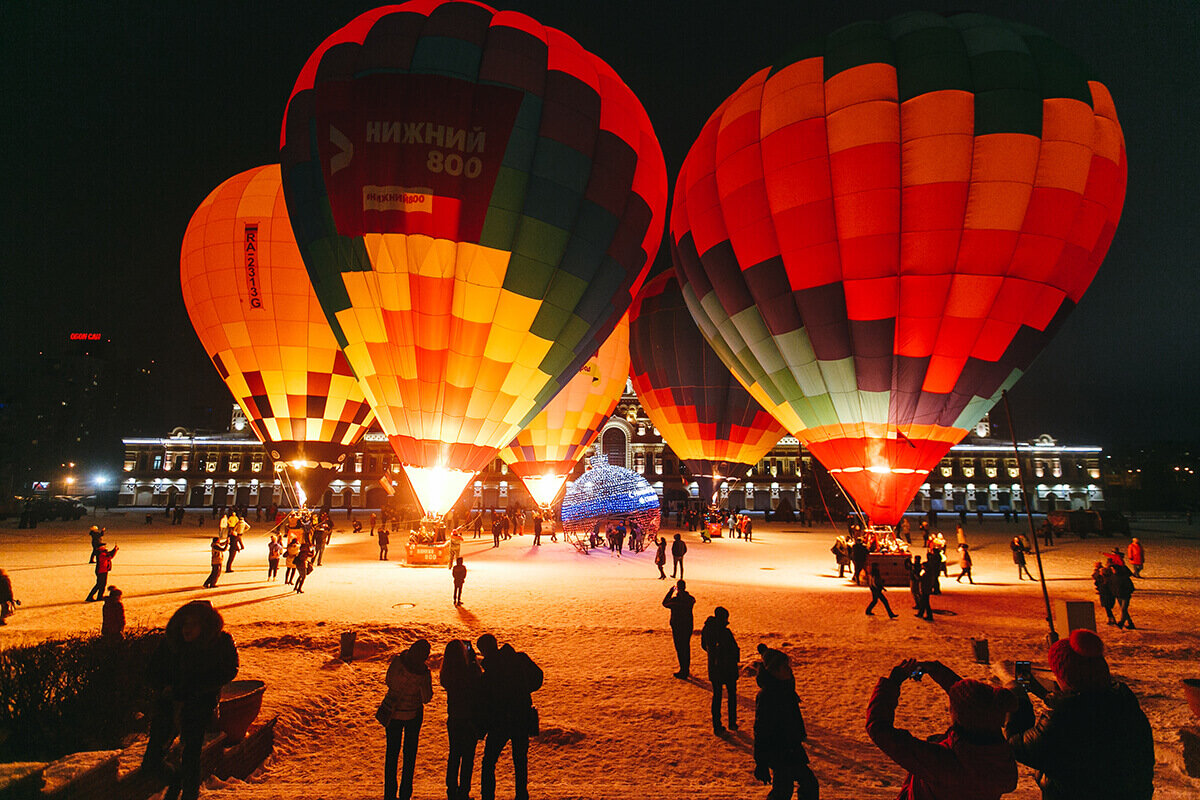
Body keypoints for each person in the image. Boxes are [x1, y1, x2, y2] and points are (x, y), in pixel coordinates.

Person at [1005, 629, 1154, 800]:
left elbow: (1017, 746)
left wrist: (1018, 701)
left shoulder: (1064, 720)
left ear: (1068, 680)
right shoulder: (1125, 706)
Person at [868, 658, 1017, 800]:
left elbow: (879, 729)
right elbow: (976, 703)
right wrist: (937, 670)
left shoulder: (942, 763)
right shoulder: (1000, 757)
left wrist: (892, 683)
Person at [141, 601, 239, 800]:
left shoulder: (219, 642)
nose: (187, 629)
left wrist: (197, 688)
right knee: (151, 762)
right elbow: (152, 671)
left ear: (204, 626)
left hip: (197, 707)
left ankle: (189, 795)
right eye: (185, 624)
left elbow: (229, 670)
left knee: (191, 759)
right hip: (168, 705)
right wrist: (164, 687)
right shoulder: (170, 643)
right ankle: (176, 780)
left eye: (193, 624)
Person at [477, 633, 543, 800]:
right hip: (521, 717)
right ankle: (521, 795)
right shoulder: (518, 658)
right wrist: (524, 690)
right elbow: (538, 677)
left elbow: (484, 701)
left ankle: (487, 796)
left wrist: (481, 728)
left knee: (489, 763)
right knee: (520, 761)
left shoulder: (489, 672)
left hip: (499, 722)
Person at [752, 644, 818, 800]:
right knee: (786, 790)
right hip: (780, 752)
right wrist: (761, 762)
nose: (789, 669)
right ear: (774, 671)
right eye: (784, 667)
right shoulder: (768, 695)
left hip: (791, 749)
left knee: (802, 786)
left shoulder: (784, 688)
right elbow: (761, 730)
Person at [378, 638, 433, 800]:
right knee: (410, 756)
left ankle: (389, 794)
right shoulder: (423, 674)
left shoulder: (397, 662)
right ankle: (405, 794)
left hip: (393, 714)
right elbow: (426, 698)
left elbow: (388, 681)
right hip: (413, 716)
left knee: (391, 754)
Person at [441, 639, 482, 800]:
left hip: (454, 719)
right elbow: (479, 680)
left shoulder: (448, 673)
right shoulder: (469, 670)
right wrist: (473, 659)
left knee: (454, 755)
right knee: (468, 757)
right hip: (470, 719)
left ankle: (451, 790)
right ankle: (464, 791)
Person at [701, 606, 740, 734]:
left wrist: (713, 656)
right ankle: (731, 723)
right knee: (730, 695)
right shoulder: (725, 632)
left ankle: (717, 725)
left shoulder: (707, 630)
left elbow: (704, 646)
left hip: (715, 667)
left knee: (717, 696)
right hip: (727, 668)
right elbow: (734, 649)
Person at [663, 579, 696, 678]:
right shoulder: (690, 599)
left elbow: (665, 603)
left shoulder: (675, 601)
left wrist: (670, 592)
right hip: (688, 626)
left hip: (678, 627)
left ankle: (684, 670)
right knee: (686, 647)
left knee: (680, 648)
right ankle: (686, 668)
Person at [1110, 558, 1136, 629]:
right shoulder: (1113, 577)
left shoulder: (1124, 577)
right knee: (1124, 610)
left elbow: (1131, 587)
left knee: (1124, 609)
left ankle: (1121, 623)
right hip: (1118, 596)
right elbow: (1112, 586)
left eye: (1113, 569)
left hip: (1125, 596)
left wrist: (1127, 592)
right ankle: (1130, 623)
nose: (1113, 571)